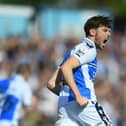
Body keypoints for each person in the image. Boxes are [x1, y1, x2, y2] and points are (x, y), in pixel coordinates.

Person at [47, 15, 113, 126]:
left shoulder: (70, 53)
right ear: (92, 32)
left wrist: (70, 98)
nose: (108, 34)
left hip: (65, 106)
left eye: (109, 31)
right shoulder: (88, 48)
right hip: (83, 103)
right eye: (105, 30)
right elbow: (66, 68)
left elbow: (51, 83)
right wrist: (78, 96)